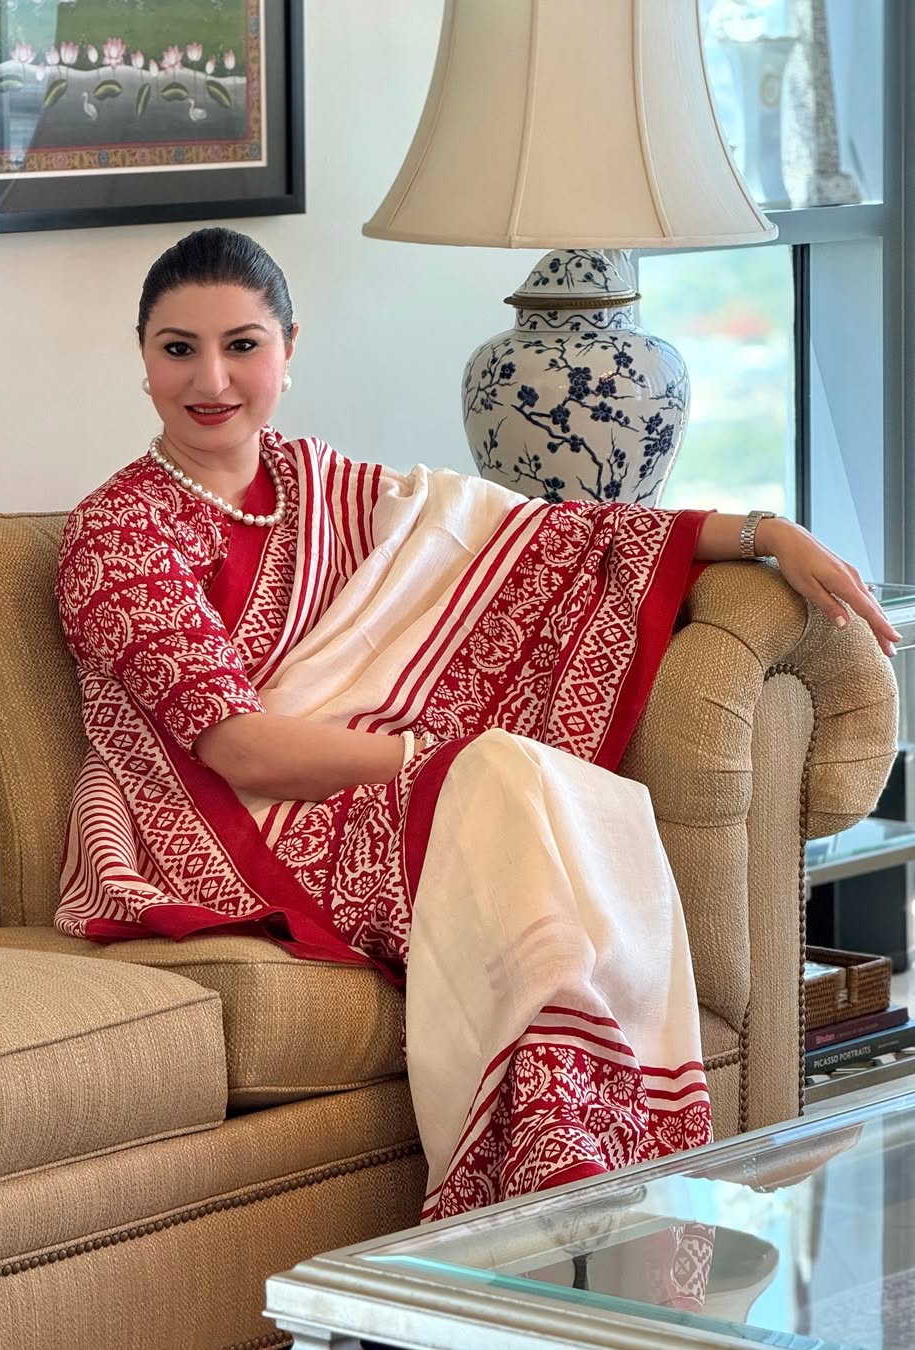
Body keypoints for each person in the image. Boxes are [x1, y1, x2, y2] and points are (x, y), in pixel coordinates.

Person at [54, 227, 900, 1224]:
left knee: (550, 794)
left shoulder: (326, 487)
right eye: (177, 347)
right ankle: (554, 1172)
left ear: (289, 348)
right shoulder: (118, 533)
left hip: (358, 776)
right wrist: (436, 756)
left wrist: (764, 532)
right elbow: (240, 749)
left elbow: (547, 533)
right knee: (505, 779)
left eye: (242, 344)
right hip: (213, 824)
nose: (211, 378)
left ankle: (615, 1158)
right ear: (142, 357)